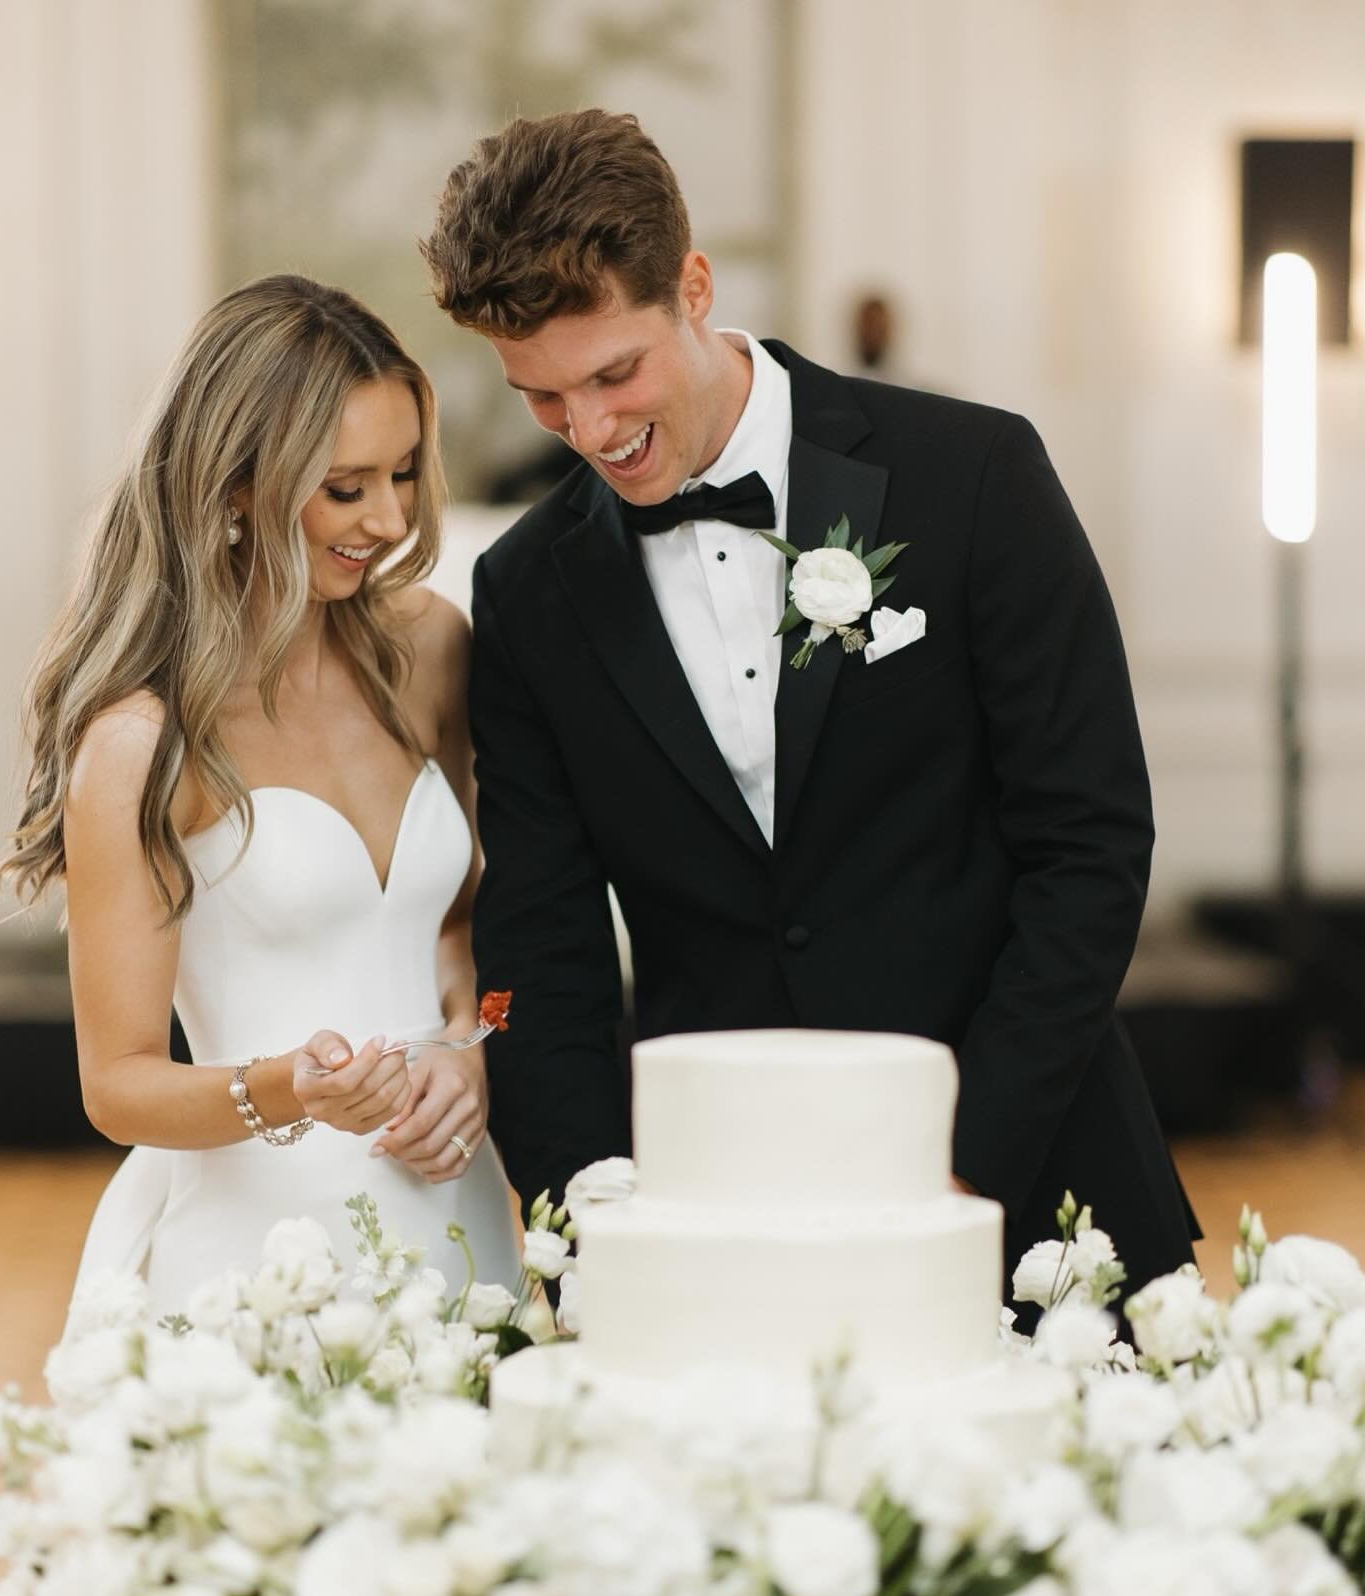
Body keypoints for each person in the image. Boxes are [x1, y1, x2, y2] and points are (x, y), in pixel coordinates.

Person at [420, 109, 1197, 1295]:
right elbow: (544, 942)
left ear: (693, 285)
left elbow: (1090, 846)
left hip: (1036, 1185)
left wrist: (965, 1163)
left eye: (614, 373)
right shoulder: (525, 592)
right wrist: (588, 1231)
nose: (591, 431)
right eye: (541, 397)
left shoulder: (973, 478)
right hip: (718, 1215)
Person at [0, 274, 519, 1316]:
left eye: (405, 472)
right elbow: (119, 1083)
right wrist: (291, 1088)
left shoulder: (430, 652)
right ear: (236, 487)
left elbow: (471, 930)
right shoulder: (144, 742)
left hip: (452, 1218)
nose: (388, 515)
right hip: (254, 1259)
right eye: (346, 485)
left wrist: (474, 1052)